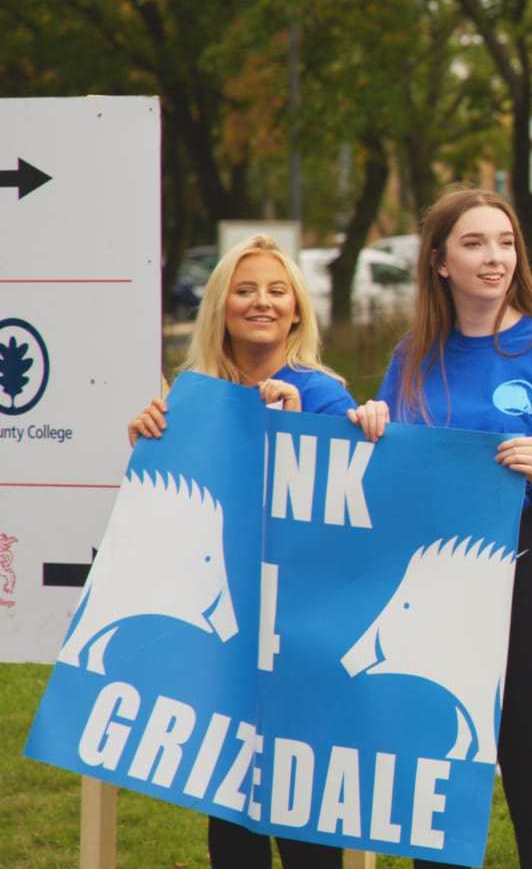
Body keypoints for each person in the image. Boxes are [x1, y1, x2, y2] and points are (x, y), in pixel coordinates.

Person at [347, 187, 532, 869]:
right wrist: (373, 430)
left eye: (506, 242)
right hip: (429, 581)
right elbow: (387, 487)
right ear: (438, 262)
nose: (495, 258)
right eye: (474, 243)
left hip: (519, 570)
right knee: (435, 782)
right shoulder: (411, 355)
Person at [127, 235, 352, 869]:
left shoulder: (327, 395)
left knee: (307, 812)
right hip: (226, 636)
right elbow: (174, 515)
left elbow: (352, 516)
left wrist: (301, 420)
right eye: (245, 290)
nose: (262, 302)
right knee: (232, 817)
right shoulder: (191, 397)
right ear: (220, 306)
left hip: (304, 635)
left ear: (298, 310)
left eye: (278, 290)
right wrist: (147, 444)